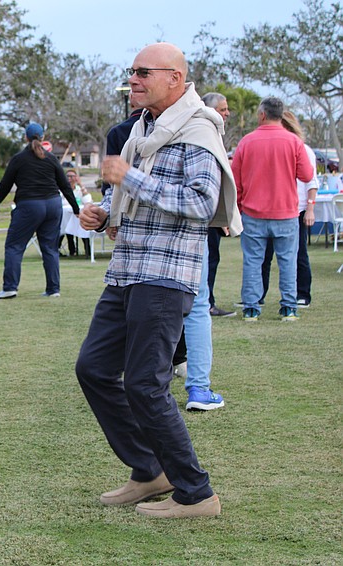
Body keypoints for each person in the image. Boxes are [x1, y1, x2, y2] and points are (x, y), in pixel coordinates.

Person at [76, 43, 239, 517]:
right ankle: (149, 471)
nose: (134, 80)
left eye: (144, 72)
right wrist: (103, 212)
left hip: (167, 276)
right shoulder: (142, 130)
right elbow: (133, 200)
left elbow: (200, 204)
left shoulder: (198, 130)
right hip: (128, 270)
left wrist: (129, 180)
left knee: (146, 383)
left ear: (176, 77)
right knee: (94, 369)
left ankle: (196, 493)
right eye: (131, 72)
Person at [232, 97, 313, 322]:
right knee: (288, 261)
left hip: (253, 212)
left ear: (262, 115)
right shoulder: (294, 142)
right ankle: (288, 307)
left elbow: (236, 180)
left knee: (252, 261)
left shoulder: (246, 142)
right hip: (286, 213)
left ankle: (251, 307)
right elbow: (306, 175)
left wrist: (239, 207)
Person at [0, 123, 79, 299]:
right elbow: (65, 185)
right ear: (43, 137)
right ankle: (53, 289)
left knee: (14, 246)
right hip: (53, 205)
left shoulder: (19, 159)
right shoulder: (51, 158)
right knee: (50, 248)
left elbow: (5, 185)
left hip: (30, 205)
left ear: (26, 138)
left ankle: (10, 287)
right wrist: (75, 208)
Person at [260, 111, 318, 308]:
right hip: (273, 208)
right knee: (263, 256)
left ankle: (302, 293)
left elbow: (312, 181)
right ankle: (257, 294)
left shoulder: (303, 149)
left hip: (297, 209)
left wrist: (310, 209)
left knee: (298, 253)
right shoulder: (272, 147)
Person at [200, 92, 234, 317]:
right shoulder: (204, 136)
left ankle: (207, 301)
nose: (227, 113)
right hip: (204, 213)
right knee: (208, 259)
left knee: (212, 258)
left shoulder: (214, 135)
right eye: (223, 109)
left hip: (213, 214)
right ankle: (206, 303)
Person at [64, 169, 93, 256]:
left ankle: (88, 250)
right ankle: (72, 251)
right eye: (67, 176)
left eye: (72, 176)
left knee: (83, 229)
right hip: (66, 216)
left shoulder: (79, 190)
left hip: (79, 216)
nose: (70, 178)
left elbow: (88, 200)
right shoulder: (62, 189)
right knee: (67, 230)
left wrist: (81, 185)